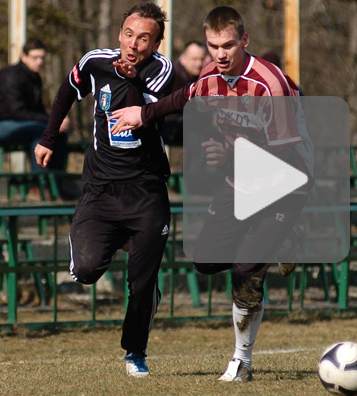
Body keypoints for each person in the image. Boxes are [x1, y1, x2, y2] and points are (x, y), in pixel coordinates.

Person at [108, 5, 312, 383]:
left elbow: (282, 157)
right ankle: (285, 241)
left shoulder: (271, 84)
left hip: (287, 180)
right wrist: (143, 114)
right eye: (213, 45)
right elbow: (183, 97)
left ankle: (242, 361)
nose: (220, 53)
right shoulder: (210, 76)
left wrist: (233, 153)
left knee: (247, 267)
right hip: (244, 175)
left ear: (244, 41)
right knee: (205, 261)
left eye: (228, 45)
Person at [33, 3, 173, 377]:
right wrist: (48, 137)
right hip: (100, 189)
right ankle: (102, 238)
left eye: (144, 38)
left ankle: (135, 352)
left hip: (146, 191)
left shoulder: (161, 71)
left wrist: (132, 79)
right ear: (119, 34)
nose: (133, 44)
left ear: (156, 43)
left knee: (142, 284)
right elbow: (66, 90)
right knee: (87, 270)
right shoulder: (96, 62)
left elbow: (152, 108)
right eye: (128, 34)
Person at [0, 38, 75, 198]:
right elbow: (16, 111)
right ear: (24, 57)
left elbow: (36, 111)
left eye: (42, 58)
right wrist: (50, 121)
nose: (39, 62)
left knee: (57, 132)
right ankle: (38, 186)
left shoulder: (35, 78)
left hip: (20, 124)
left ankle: (56, 186)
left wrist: (55, 123)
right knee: (41, 131)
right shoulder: (11, 75)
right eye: (35, 57)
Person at [160, 40, 206, 145]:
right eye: (194, 59)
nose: (198, 64)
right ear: (183, 59)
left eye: (201, 59)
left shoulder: (200, 78)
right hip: (167, 125)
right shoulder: (172, 75)